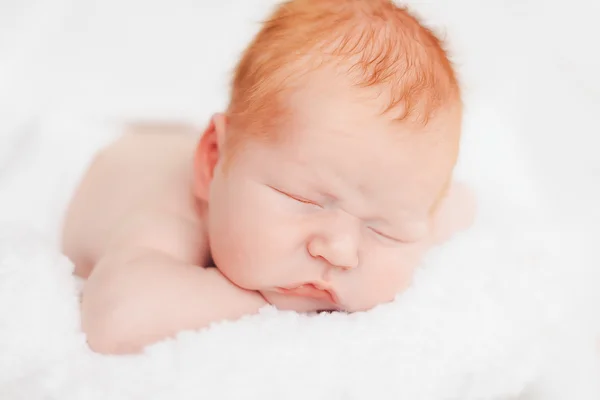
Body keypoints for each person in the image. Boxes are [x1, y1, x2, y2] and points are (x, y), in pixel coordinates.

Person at [62, 0, 475, 354]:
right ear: (212, 163)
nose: (341, 251)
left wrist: (410, 226)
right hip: (129, 156)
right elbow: (116, 318)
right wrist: (263, 301)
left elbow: (454, 205)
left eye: (382, 229)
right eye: (307, 201)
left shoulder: (366, 194)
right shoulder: (169, 217)